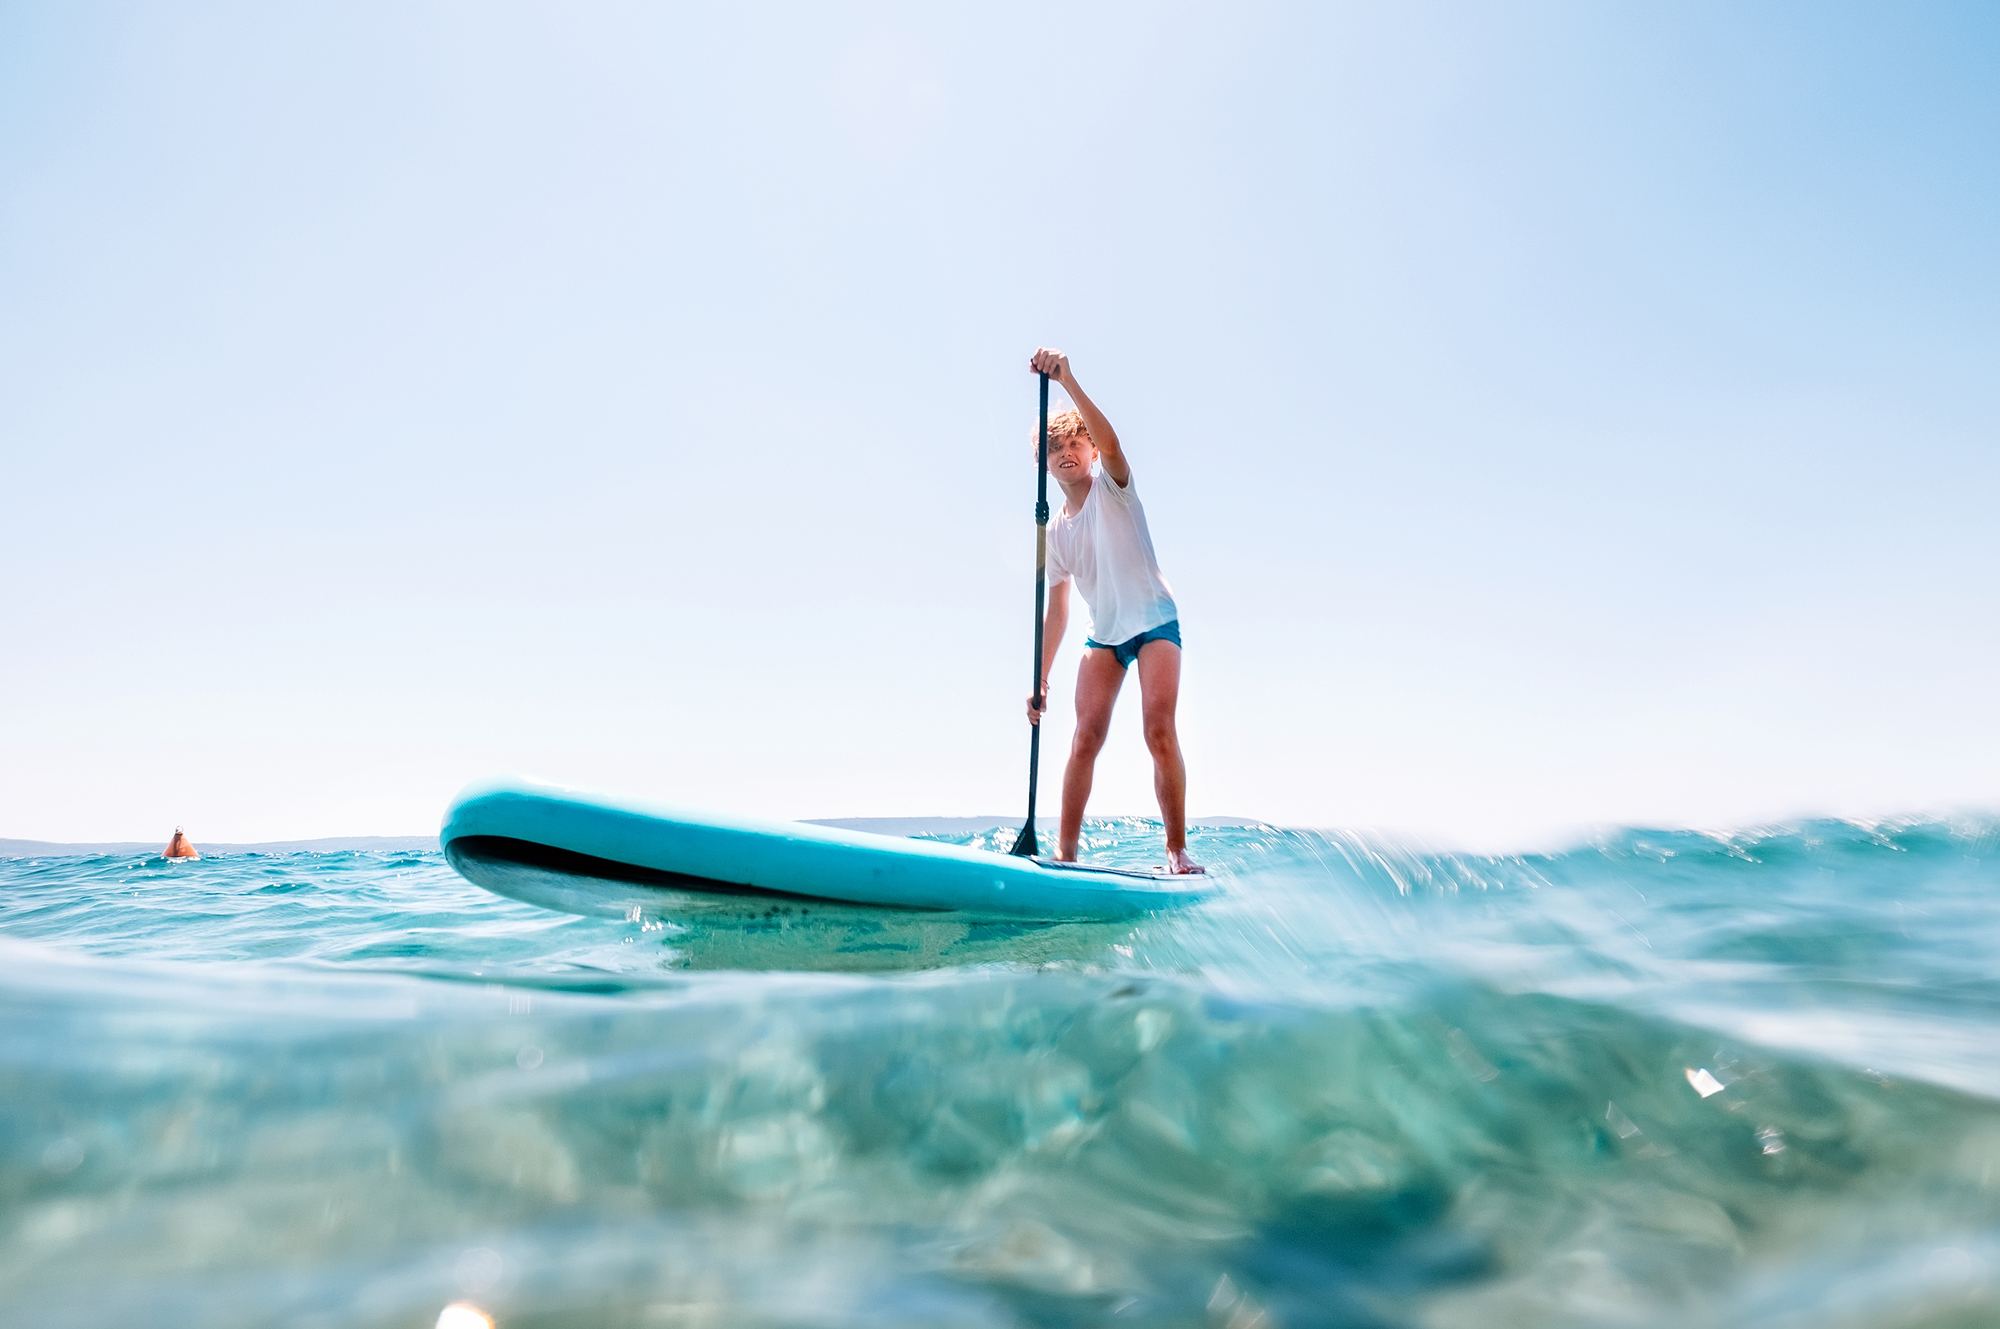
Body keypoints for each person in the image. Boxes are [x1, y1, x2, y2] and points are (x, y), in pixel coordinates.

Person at [1024, 347, 1204, 874]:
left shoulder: (1114, 488)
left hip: (1154, 623)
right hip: (1102, 635)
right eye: (1054, 447)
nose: (1066, 452)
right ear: (1042, 463)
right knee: (1084, 737)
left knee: (1157, 729)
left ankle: (1176, 851)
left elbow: (1114, 442)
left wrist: (1068, 378)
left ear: (1092, 451)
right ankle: (1065, 854)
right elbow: (1056, 613)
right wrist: (1041, 679)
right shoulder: (1051, 533)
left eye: (1075, 442)